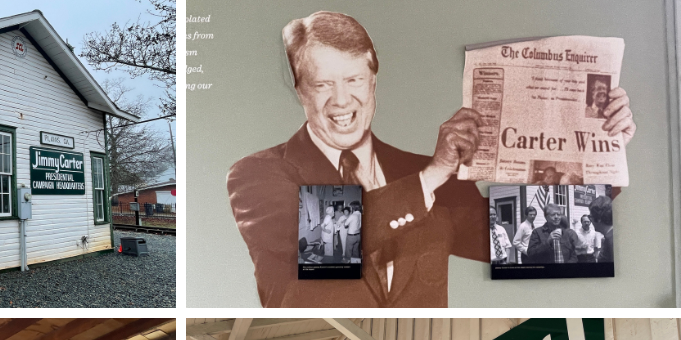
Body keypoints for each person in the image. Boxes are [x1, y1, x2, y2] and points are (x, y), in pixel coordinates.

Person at [227, 11, 636, 306]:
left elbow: (518, 250)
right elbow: (321, 248)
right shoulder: (257, 174)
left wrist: (602, 149)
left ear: (373, 80)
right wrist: (434, 174)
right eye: (322, 83)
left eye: (353, 79)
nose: (341, 99)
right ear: (300, 90)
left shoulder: (422, 174)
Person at [589, 195, 614, 262]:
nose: (590, 221)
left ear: (598, 219)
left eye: (590, 217)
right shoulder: (612, 235)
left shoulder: (611, 241)